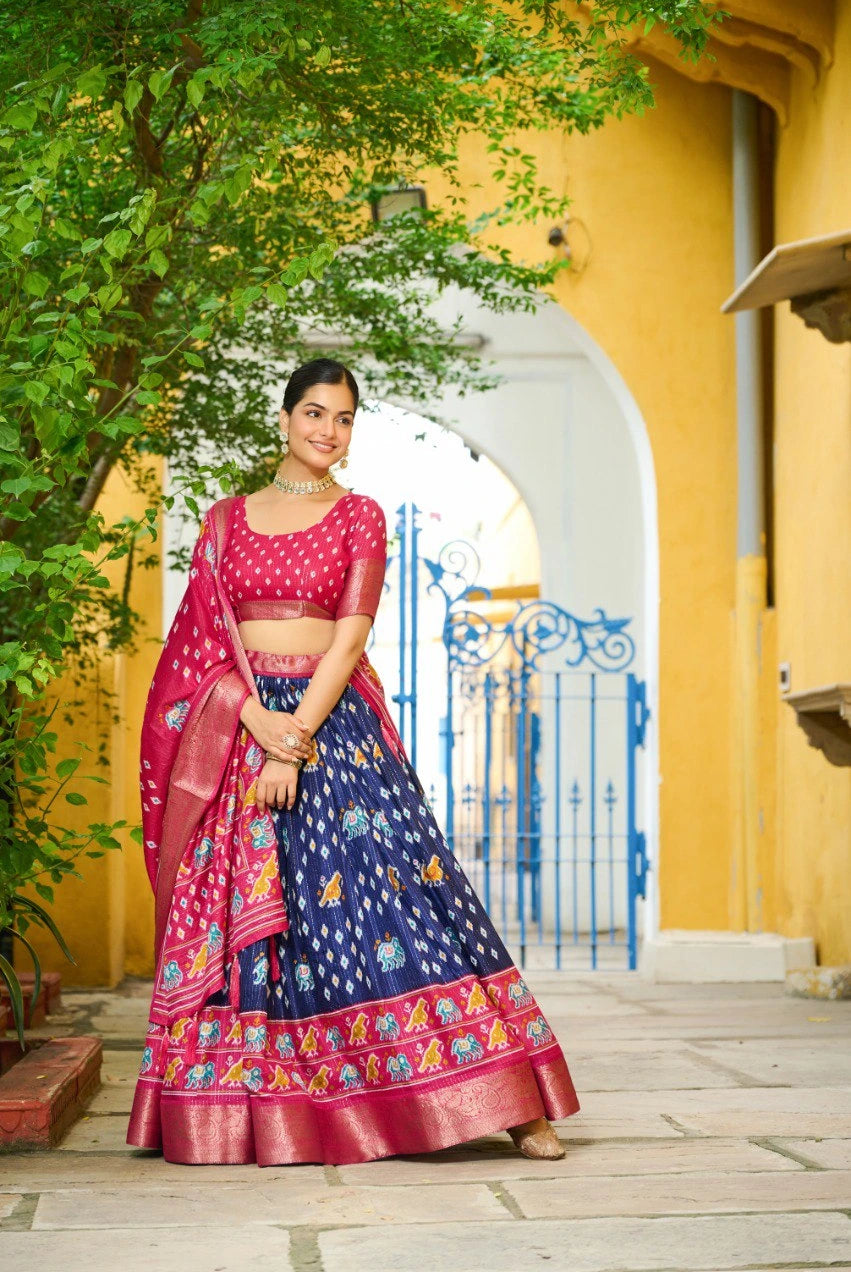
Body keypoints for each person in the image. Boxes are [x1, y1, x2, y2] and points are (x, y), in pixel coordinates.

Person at [126, 356, 581, 1166]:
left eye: (342, 419)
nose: (326, 431)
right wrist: (253, 721)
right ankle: (268, 1111)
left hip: (330, 732)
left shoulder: (359, 516)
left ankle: (507, 1101)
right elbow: (198, 646)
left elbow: (349, 636)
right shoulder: (225, 520)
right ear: (284, 418)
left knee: (396, 907)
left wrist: (292, 738)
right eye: (313, 413)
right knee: (261, 934)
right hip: (238, 726)